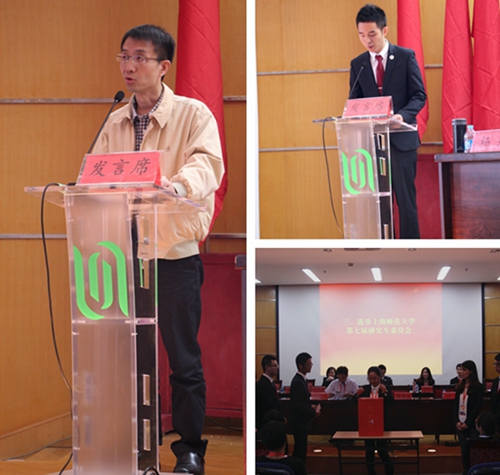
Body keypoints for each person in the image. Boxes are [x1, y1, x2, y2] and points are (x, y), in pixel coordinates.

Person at [93, 25, 224, 475]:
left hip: (172, 255)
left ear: (163, 65)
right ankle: (133, 443)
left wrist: (177, 186)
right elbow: (94, 178)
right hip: (121, 256)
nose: (128, 66)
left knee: (182, 359)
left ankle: (189, 450)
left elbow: (208, 165)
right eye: (124, 56)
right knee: (128, 358)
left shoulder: (193, 114)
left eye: (139, 57)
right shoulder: (114, 120)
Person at [349, 4, 427, 239]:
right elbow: (355, 102)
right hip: (373, 145)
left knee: (405, 202)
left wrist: (402, 116)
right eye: (362, 35)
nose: (367, 40)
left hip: (401, 141)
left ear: (385, 30)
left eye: (372, 34)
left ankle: (411, 249)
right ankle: (384, 249)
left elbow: (419, 95)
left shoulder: (405, 56)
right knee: (380, 205)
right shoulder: (358, 64)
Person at [356, 366, 394, 475]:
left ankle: (389, 472)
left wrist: (385, 392)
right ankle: (371, 472)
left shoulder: (385, 388)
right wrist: (357, 395)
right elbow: (353, 402)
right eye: (370, 379)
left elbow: (391, 403)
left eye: (375, 378)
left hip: (382, 423)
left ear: (380, 377)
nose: (372, 381)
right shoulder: (365, 389)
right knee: (369, 450)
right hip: (368, 424)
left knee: (382, 450)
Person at [289, 352, 321, 463]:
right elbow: (298, 405)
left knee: (301, 448)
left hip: (301, 422)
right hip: (300, 422)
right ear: (300, 365)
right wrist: (313, 412)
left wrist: (310, 406)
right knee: (300, 450)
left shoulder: (302, 379)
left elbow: (302, 401)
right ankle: (298, 468)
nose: (310, 366)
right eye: (308, 364)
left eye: (311, 364)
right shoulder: (298, 381)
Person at [454, 360, 484, 474]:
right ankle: (466, 470)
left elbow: (477, 407)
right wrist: (457, 421)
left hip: (471, 424)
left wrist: (467, 423)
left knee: (472, 449)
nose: (461, 372)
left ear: (471, 371)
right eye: (461, 369)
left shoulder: (478, 387)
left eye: (464, 370)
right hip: (460, 422)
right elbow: (455, 406)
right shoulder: (459, 387)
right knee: (464, 449)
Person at [256, 355, 283, 430]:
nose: (277, 368)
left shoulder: (270, 382)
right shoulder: (264, 384)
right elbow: (267, 405)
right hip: (267, 422)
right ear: (267, 367)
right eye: (275, 365)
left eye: (277, 365)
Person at [490, 353, 500, 431]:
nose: (496, 366)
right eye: (495, 364)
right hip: (496, 419)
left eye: (498, 364)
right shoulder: (495, 381)